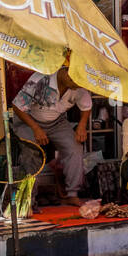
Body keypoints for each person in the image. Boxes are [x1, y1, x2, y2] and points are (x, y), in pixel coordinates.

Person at [12, 65, 92, 205]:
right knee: (31, 152)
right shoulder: (41, 80)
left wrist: (82, 126)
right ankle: (28, 199)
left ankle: (72, 193)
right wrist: (36, 128)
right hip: (29, 120)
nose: (77, 85)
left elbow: (86, 106)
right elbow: (18, 107)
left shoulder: (79, 84)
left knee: (75, 148)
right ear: (64, 72)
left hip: (57, 121)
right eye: (74, 81)